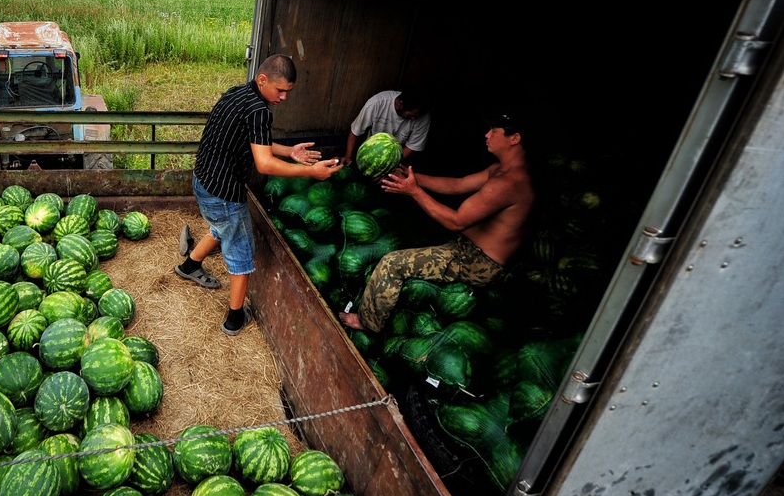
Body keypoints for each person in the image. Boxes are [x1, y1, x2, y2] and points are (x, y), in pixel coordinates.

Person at [176, 54, 343, 336]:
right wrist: (311, 171)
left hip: (204, 181)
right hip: (224, 192)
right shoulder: (260, 111)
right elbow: (263, 163)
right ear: (263, 80)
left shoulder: (238, 94)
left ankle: (189, 266)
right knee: (240, 252)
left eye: (288, 92)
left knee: (222, 227)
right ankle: (234, 319)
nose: (284, 98)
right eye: (280, 91)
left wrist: (289, 151)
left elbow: (258, 142)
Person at [338, 112, 535, 333]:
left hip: (477, 262)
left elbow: (456, 222)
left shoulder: (509, 183)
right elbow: (457, 185)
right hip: (464, 248)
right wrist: (409, 176)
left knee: (392, 264)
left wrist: (413, 191)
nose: (487, 134)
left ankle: (368, 323)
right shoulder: (498, 171)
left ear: (514, 138)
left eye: (494, 131)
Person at [341, 89, 432, 167]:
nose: (414, 118)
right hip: (371, 152)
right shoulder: (377, 103)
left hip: (398, 158)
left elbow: (412, 146)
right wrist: (348, 156)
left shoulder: (423, 116)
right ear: (400, 104)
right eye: (413, 114)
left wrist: (388, 167)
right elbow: (355, 130)